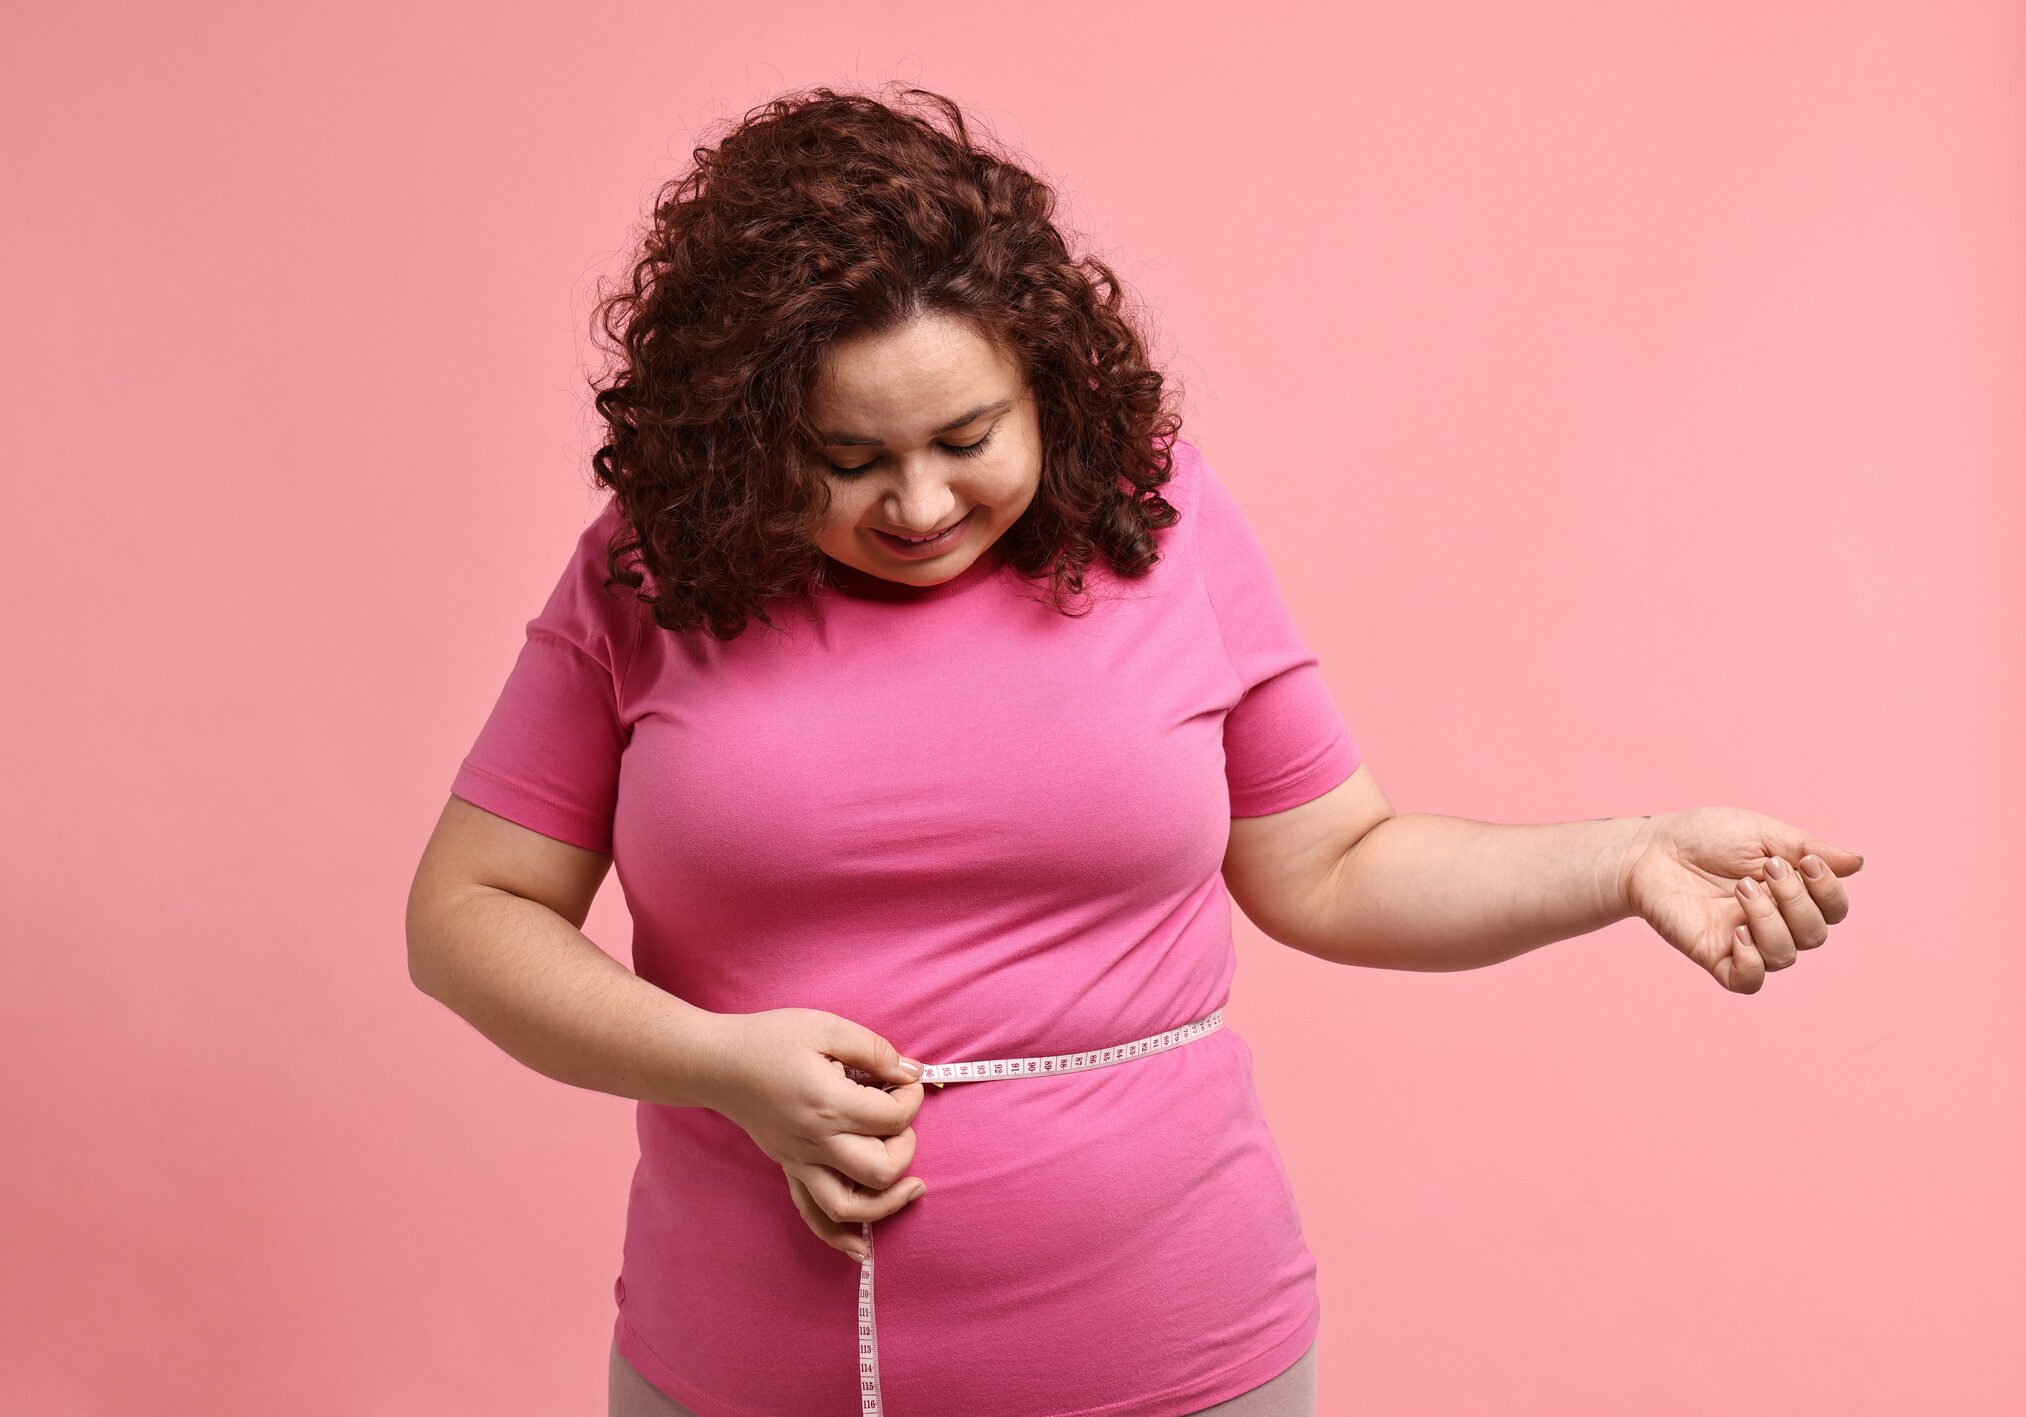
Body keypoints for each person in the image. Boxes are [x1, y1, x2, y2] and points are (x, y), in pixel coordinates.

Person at [405, 86, 1863, 1417]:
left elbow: (1336, 864)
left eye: (967, 435)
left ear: (1048, 383)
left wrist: (1625, 857)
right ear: (743, 432)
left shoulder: (1155, 526)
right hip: (742, 1373)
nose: (916, 503)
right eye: (845, 462)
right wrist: (718, 1062)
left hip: (1182, 1367)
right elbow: (465, 913)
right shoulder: (651, 571)